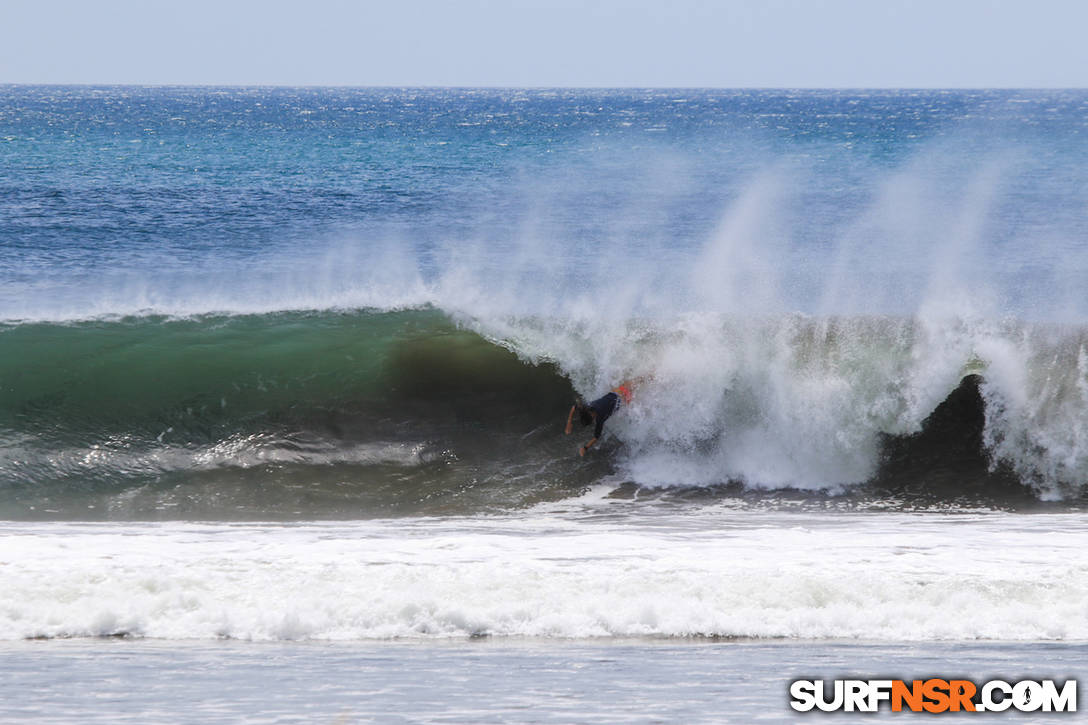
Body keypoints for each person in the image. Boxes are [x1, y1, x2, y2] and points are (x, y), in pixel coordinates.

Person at [564, 381, 635, 456]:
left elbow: (596, 437)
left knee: (636, 387)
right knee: (635, 383)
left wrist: (585, 448)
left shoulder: (600, 418)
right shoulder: (587, 406)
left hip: (623, 398)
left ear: (592, 417)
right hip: (616, 391)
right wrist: (569, 422)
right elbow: (574, 407)